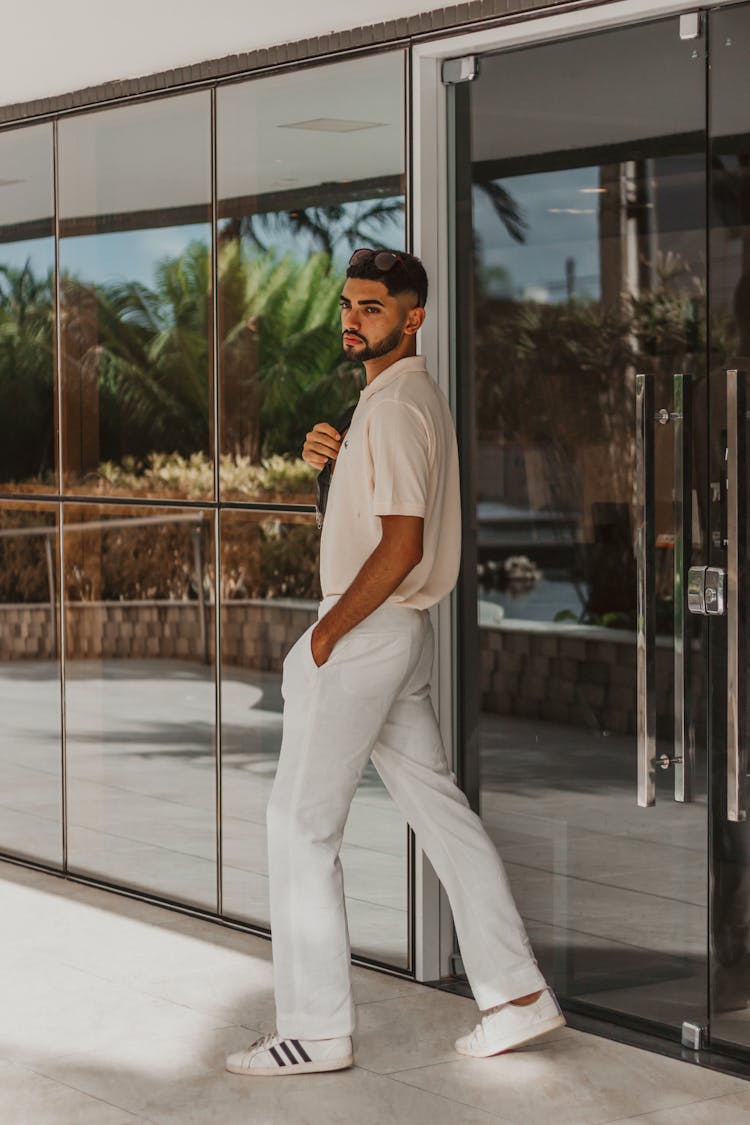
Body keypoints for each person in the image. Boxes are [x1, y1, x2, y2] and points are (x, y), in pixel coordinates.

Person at [226, 249, 564, 1078]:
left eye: (372, 308)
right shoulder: (384, 402)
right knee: (440, 812)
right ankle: (517, 994)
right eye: (349, 304)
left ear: (413, 318)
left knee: (299, 826)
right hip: (392, 635)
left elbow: (402, 542)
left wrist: (323, 635)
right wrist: (328, 471)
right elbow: (374, 522)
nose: (353, 318)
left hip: (366, 633)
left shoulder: (399, 402)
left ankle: (314, 1028)